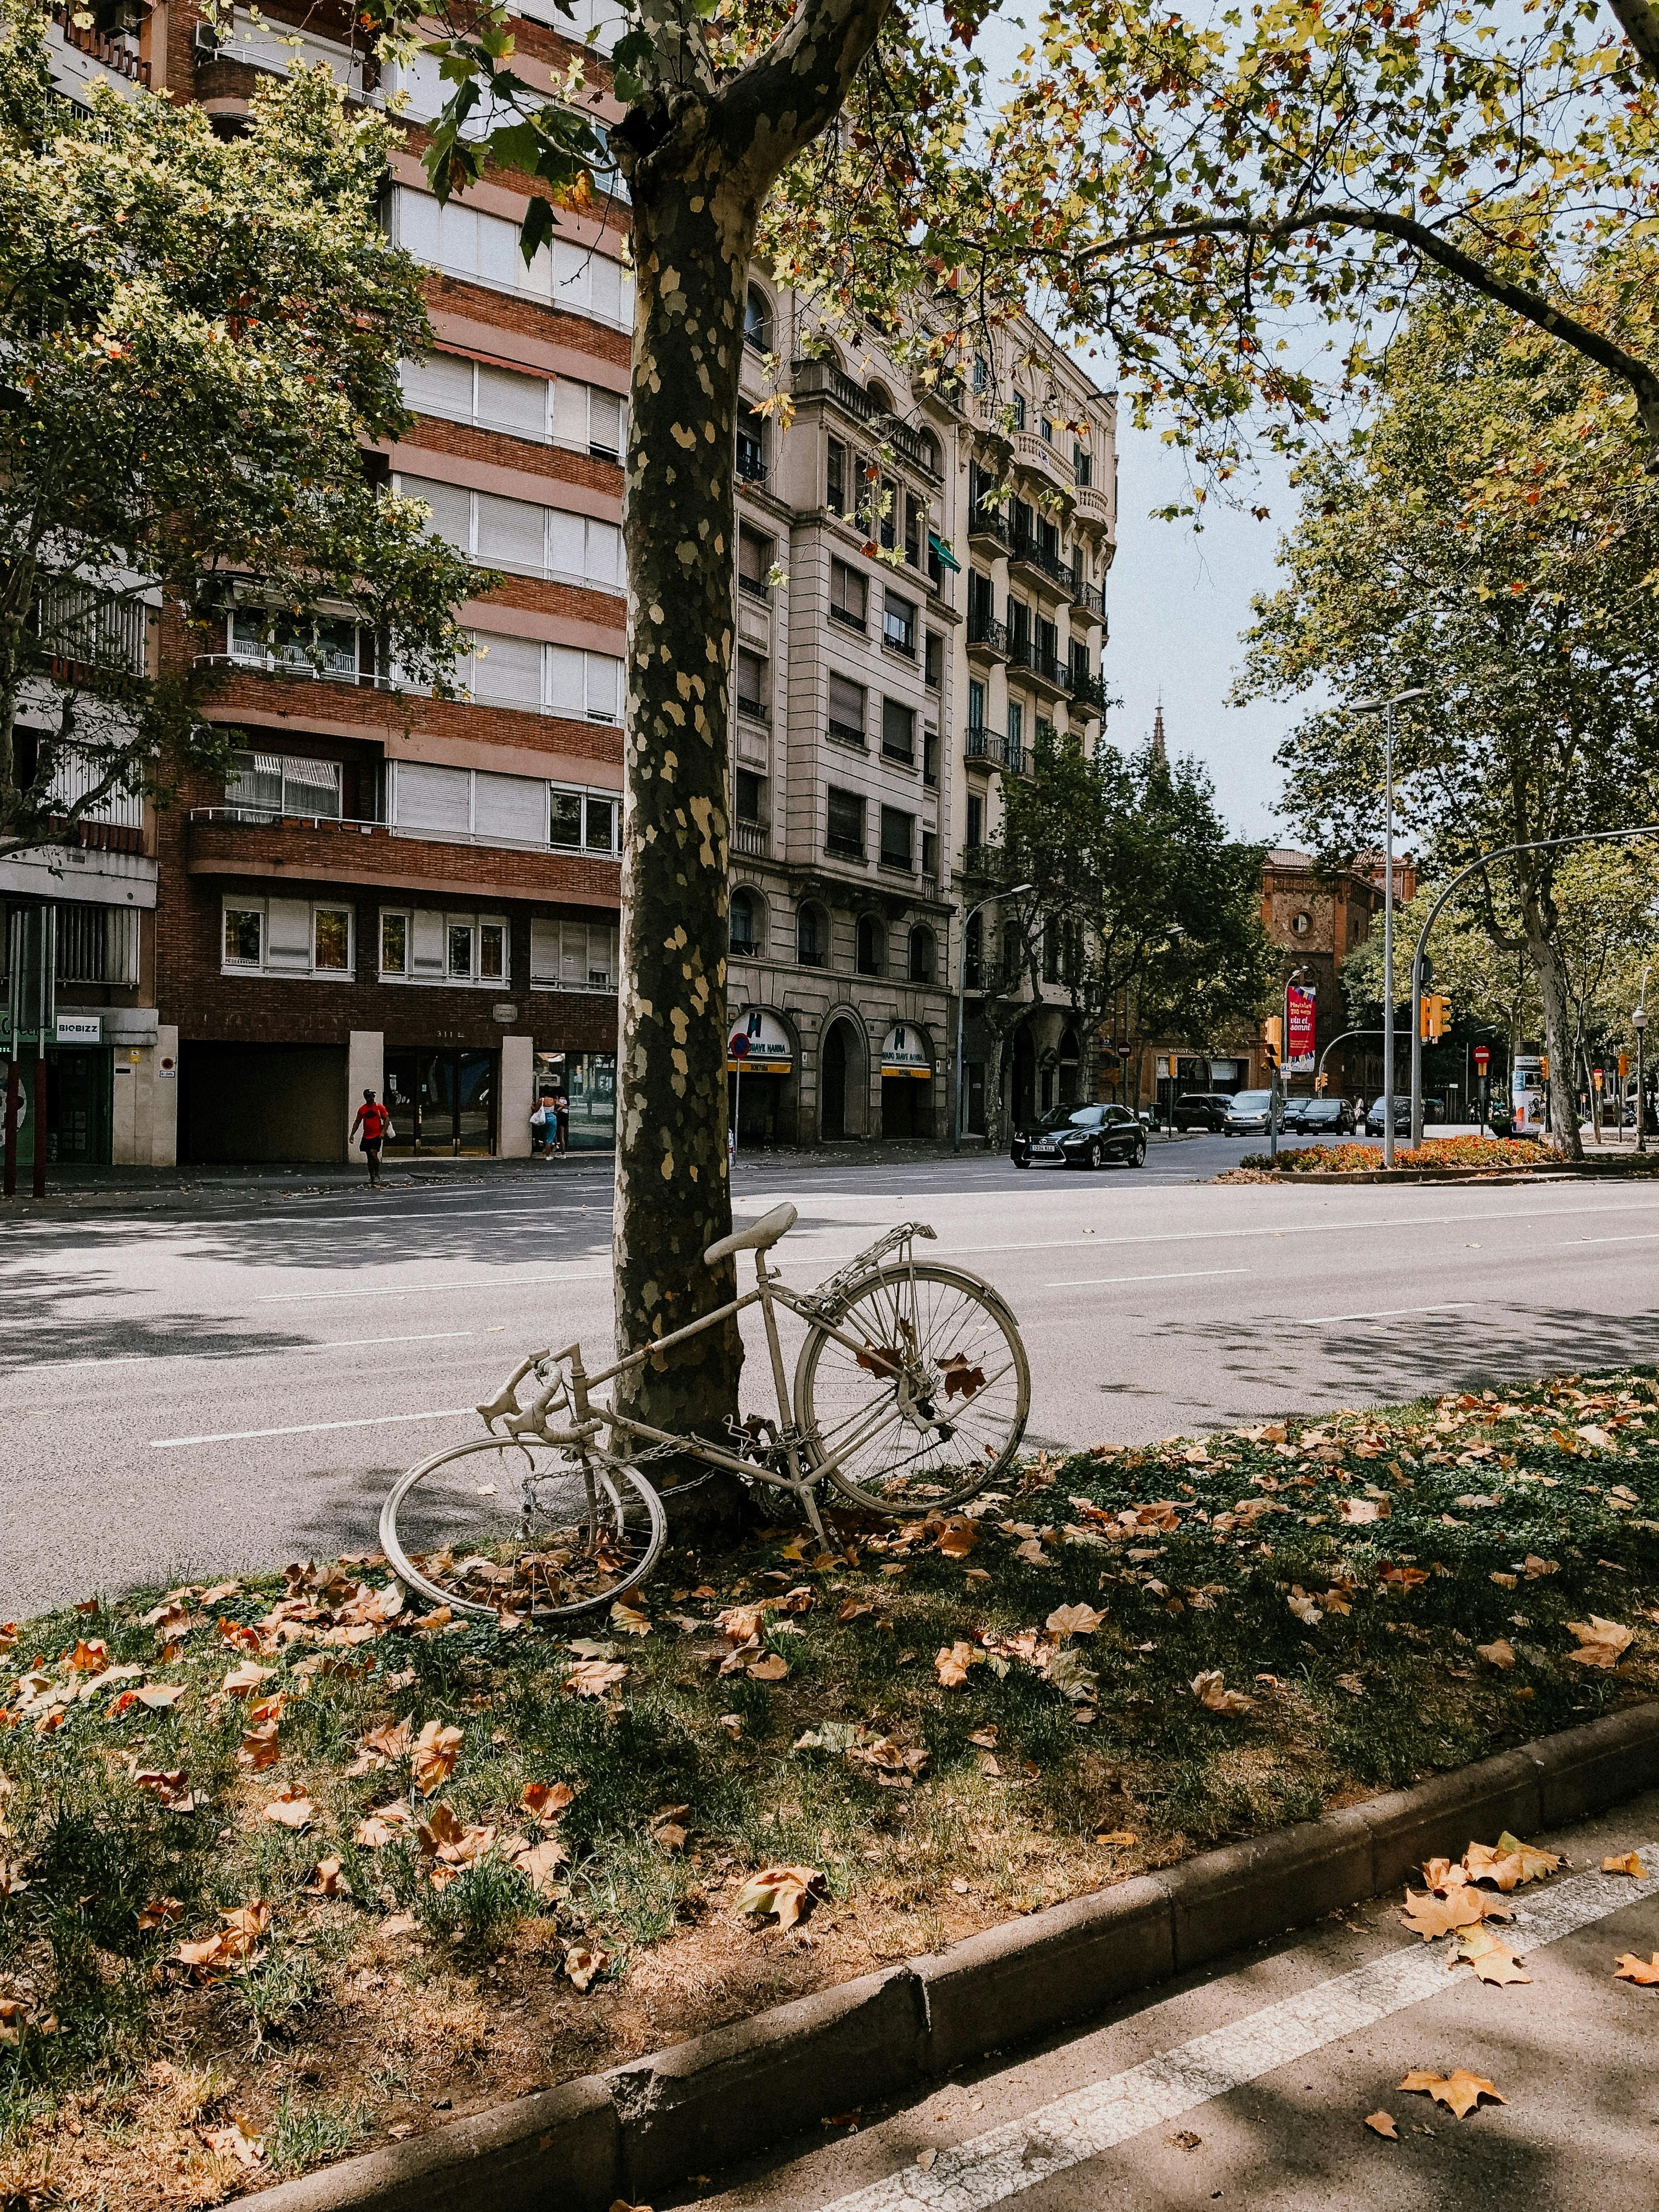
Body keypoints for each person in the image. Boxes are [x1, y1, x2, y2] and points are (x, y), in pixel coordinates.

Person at [351, 1088, 392, 1188]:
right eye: (369, 1097)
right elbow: (357, 1122)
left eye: (372, 1097)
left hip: (376, 1135)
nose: (371, 1099)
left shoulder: (379, 1107)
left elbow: (386, 1118)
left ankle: (377, 1174)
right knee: (369, 1157)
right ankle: (372, 1176)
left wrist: (383, 1132)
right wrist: (352, 1134)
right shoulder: (362, 1109)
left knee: (374, 1154)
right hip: (367, 1135)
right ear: (366, 1098)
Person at [531, 1088, 555, 1158]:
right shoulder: (553, 1100)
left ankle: (545, 1150)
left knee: (544, 1134)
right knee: (550, 1137)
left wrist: (532, 1106)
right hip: (552, 1118)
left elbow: (536, 1110)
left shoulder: (541, 1100)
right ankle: (548, 1155)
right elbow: (558, 1107)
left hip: (543, 1119)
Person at [551, 1085, 569, 1157]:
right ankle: (563, 1152)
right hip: (565, 1117)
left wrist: (557, 1109)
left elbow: (560, 1107)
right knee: (562, 1135)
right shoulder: (567, 1099)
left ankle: (560, 1149)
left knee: (556, 1133)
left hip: (560, 1116)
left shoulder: (560, 1099)